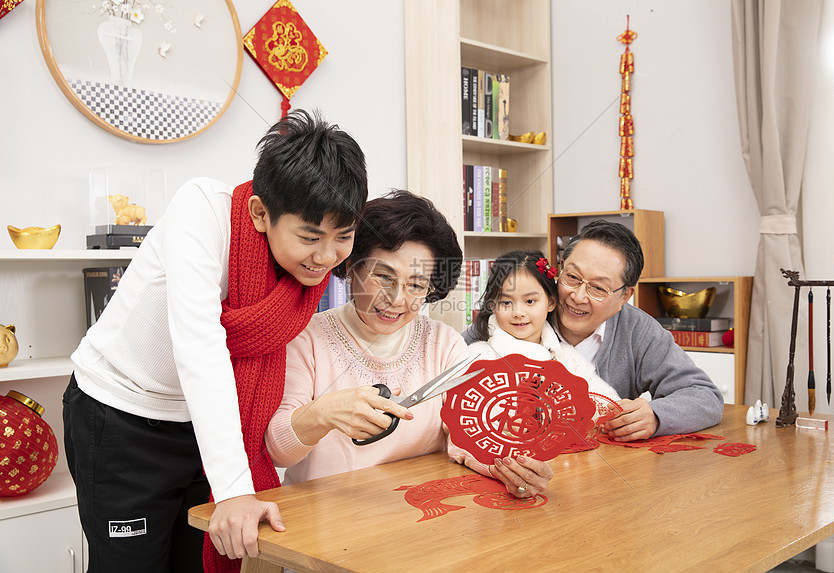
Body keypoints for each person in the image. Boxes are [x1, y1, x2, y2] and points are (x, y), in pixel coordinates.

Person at [62, 109, 368, 573]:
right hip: (121, 418)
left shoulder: (303, 273)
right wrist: (235, 490)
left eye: (342, 237)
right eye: (310, 237)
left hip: (202, 428)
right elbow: (201, 348)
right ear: (260, 213)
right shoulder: (201, 209)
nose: (327, 257)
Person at [264, 190, 553, 498]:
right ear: (350, 267)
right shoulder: (305, 337)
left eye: (416, 285)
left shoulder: (444, 344)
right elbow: (276, 450)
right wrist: (323, 413)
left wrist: (512, 469)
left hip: (415, 516)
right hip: (322, 520)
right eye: (384, 277)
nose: (397, 299)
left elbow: (466, 437)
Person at [464, 220, 724, 441]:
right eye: (572, 278)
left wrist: (656, 416)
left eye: (598, 288)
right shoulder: (515, 319)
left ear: (625, 296)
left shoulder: (638, 330)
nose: (577, 296)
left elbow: (704, 396)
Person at [468, 249, 621, 404]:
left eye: (530, 301)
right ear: (493, 306)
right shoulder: (478, 357)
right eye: (506, 303)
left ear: (551, 303)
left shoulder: (566, 357)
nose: (518, 313)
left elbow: (607, 402)